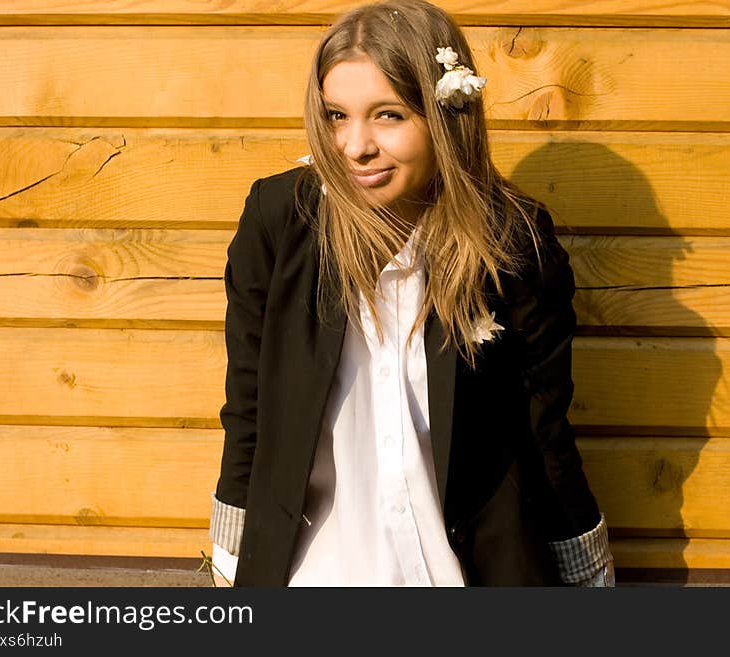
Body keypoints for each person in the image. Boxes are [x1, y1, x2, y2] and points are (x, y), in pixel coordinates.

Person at [209, 0, 614, 587]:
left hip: (463, 571)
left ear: (447, 115)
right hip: (316, 570)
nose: (355, 146)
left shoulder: (512, 238)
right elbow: (248, 398)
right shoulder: (280, 220)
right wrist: (233, 547)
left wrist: (581, 560)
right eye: (336, 115)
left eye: (389, 116)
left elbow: (543, 421)